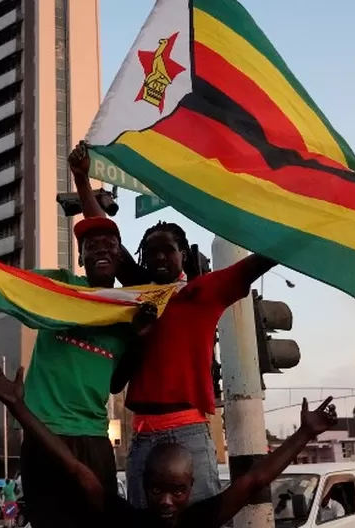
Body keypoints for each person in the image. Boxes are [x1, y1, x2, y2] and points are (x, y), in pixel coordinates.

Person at [69, 142, 279, 506]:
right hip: (141, 433)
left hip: (190, 434)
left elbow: (259, 261)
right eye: (150, 251)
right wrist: (82, 179)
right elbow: (102, 237)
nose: (159, 257)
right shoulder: (140, 294)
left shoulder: (203, 292)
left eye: (167, 249)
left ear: (183, 254)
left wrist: (301, 227)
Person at [0, 357, 338, 528]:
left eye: (177, 491)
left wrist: (305, 434)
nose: (165, 501)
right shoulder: (125, 518)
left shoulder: (201, 518)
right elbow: (73, 466)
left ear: (191, 487)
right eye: (156, 490)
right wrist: (18, 408)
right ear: (144, 487)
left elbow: (255, 480)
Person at [19, 214, 158, 528]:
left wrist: (140, 337)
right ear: (80, 257)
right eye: (91, 246)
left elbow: (116, 383)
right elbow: (14, 286)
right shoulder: (61, 286)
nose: (101, 251)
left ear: (119, 255)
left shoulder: (128, 312)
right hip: (45, 432)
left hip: (94, 439)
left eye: (110, 245)